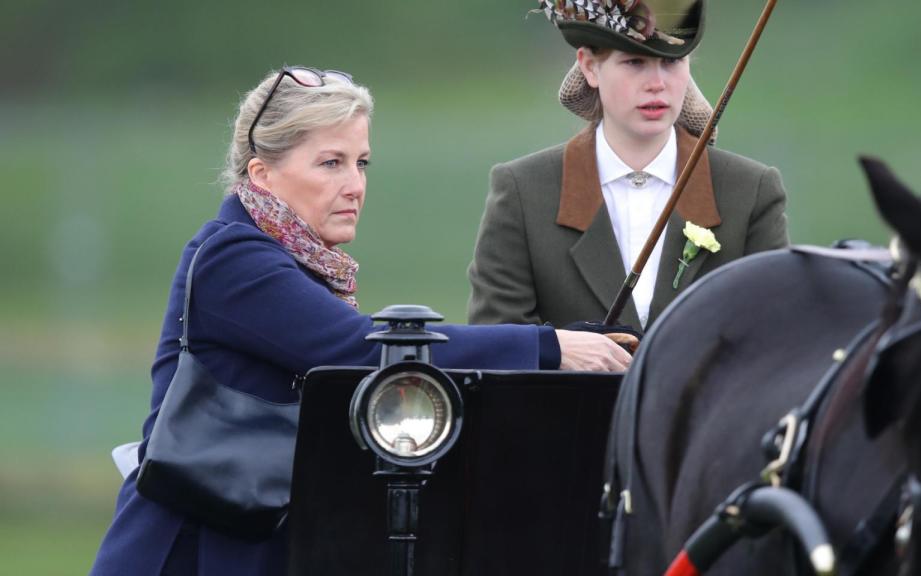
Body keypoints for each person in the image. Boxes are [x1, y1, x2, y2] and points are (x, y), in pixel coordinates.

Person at [89, 66, 631, 576]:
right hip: (186, 550)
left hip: (250, 541)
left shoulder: (300, 262)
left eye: (361, 162)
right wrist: (544, 348)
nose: (355, 184)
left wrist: (564, 343)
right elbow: (359, 350)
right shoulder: (234, 257)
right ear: (262, 173)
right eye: (331, 163)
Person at [468, 0, 789, 332]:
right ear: (590, 67)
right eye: (634, 62)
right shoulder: (523, 190)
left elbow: (778, 340)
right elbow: (494, 343)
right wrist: (556, 349)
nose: (657, 83)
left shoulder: (751, 191)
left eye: (672, 62)